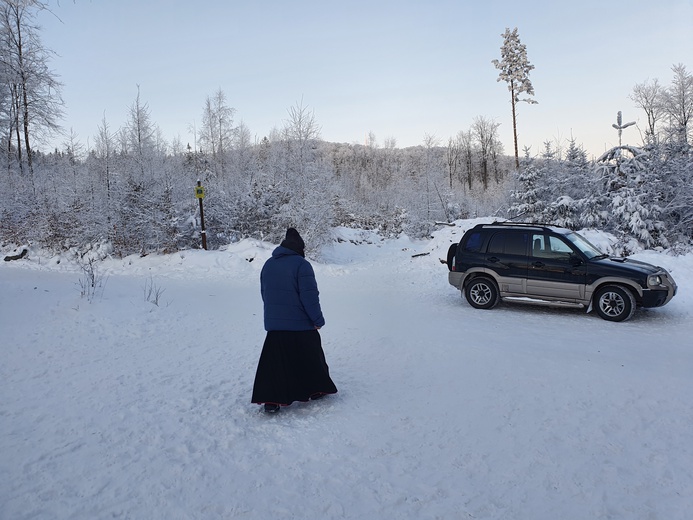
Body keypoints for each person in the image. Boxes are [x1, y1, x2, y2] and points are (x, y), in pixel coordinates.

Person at [251, 228, 338, 413]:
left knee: (275, 364)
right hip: (301, 325)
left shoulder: (268, 264)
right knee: (311, 357)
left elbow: (264, 294)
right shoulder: (301, 265)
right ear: (300, 248)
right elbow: (310, 297)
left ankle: (271, 400)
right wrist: (317, 320)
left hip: (275, 326)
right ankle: (316, 390)